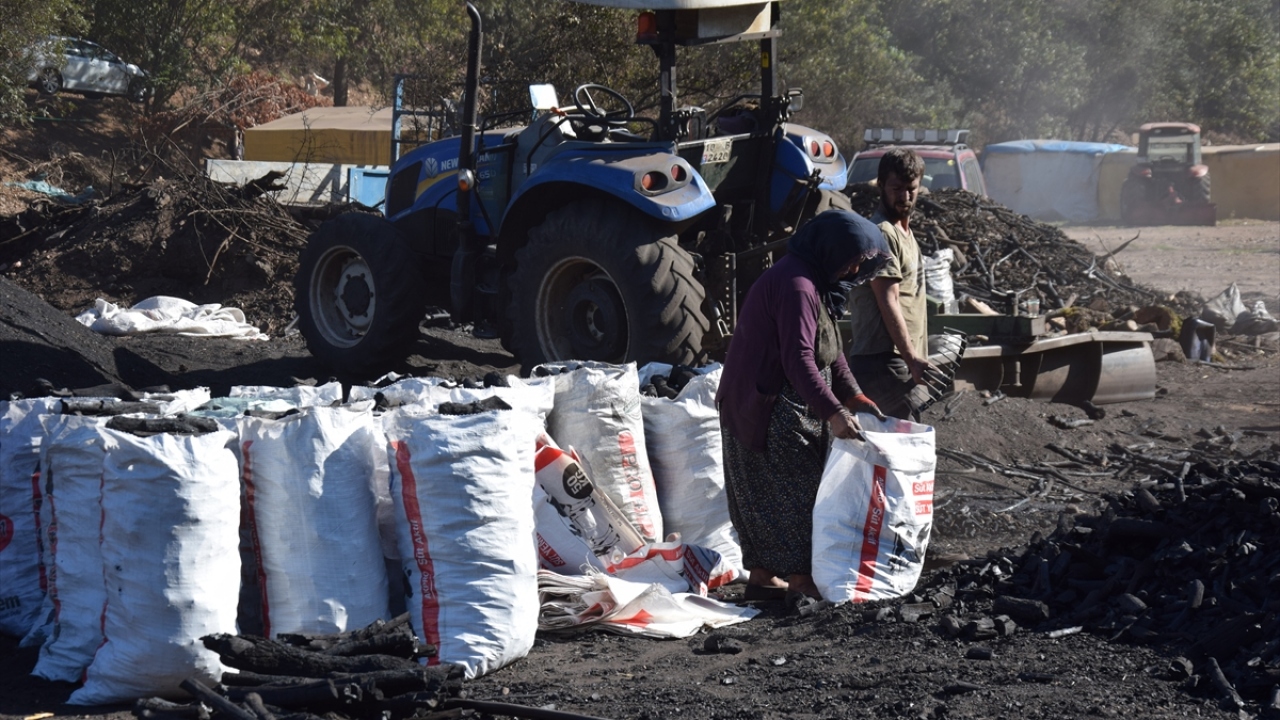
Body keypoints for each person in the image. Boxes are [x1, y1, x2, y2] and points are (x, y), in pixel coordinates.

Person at [716, 209, 890, 603]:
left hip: (782, 399)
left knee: (778, 491)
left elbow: (830, 351)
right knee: (794, 492)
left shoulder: (817, 282)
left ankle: (763, 577)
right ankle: (799, 579)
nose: (857, 266)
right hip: (766, 403)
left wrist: (854, 395)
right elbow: (798, 358)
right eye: (855, 257)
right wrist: (834, 412)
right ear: (831, 248)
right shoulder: (797, 286)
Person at [846, 147, 936, 421]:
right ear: (881, 185)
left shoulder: (905, 233)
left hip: (899, 359)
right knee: (900, 447)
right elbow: (888, 300)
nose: (905, 197)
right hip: (883, 360)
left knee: (900, 447)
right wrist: (911, 358)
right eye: (897, 188)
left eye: (911, 189)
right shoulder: (883, 233)